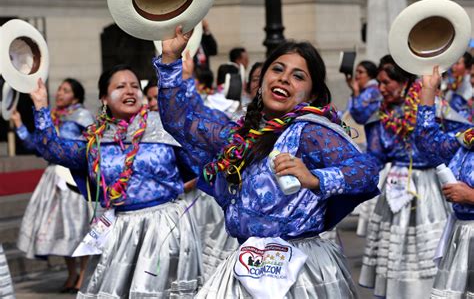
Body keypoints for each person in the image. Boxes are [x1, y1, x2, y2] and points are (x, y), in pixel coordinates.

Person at [155, 27, 380, 298]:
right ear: (262, 81)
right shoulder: (237, 135)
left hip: (301, 273)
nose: (284, 79)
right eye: (277, 70)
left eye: (298, 76)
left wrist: (316, 178)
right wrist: (169, 59)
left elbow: (366, 171)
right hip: (246, 265)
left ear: (312, 95)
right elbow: (179, 120)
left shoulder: (311, 131)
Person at [28, 65, 202, 298]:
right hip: (120, 230)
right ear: (104, 98)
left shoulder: (164, 126)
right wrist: (40, 106)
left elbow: (199, 157)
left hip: (165, 227)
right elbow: (54, 150)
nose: (130, 91)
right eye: (120, 86)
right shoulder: (96, 140)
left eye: (133, 86)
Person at [358, 60, 468, 298]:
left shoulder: (435, 107)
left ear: (404, 83)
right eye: (379, 83)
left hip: (429, 184)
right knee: (395, 246)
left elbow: (457, 137)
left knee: (428, 249)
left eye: (387, 82)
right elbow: (375, 154)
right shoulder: (381, 113)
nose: (382, 88)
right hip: (396, 180)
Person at [11, 78, 93, 293]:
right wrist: (19, 124)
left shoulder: (83, 116)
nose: (59, 93)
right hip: (53, 180)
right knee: (61, 228)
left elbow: (91, 145)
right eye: (59, 89)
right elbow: (37, 147)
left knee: (79, 228)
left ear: (75, 96)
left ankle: (83, 275)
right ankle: (71, 274)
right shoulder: (52, 117)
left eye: (65, 90)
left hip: (73, 178)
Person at [414, 66, 473, 298]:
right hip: (462, 237)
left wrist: (470, 196)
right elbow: (428, 141)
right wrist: (428, 89)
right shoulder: (469, 137)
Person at [347, 60, 381, 125]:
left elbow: (359, 111)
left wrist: (356, 92)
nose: (357, 75)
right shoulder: (364, 90)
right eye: (356, 71)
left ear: (370, 75)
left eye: (360, 72)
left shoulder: (373, 91)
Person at [443, 52, 473, 120]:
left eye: (457, 63)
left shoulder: (469, 86)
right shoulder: (457, 82)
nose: (453, 66)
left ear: (467, 67)